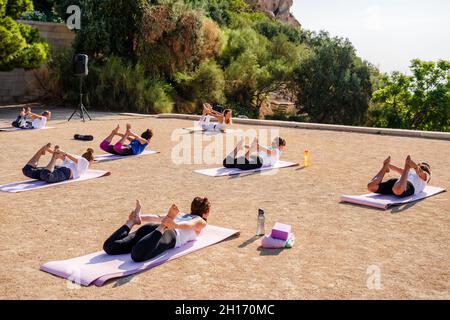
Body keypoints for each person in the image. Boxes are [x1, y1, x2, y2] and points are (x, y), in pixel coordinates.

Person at [103, 197, 210, 262]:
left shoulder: (181, 214)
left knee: (109, 247)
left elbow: (157, 217)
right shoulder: (201, 220)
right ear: (206, 213)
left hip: (151, 227)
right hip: (168, 233)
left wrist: (140, 218)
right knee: (137, 256)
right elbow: (189, 224)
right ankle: (163, 226)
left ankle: (131, 222)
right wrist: (173, 225)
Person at [22, 143, 95, 183]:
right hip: (65, 172)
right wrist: (63, 153)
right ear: (90, 161)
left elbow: (63, 156)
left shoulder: (74, 159)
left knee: (27, 170)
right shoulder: (85, 162)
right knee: (47, 176)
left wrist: (48, 150)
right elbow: (77, 160)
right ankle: (54, 157)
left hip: (55, 168)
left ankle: (41, 151)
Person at [367, 155, 431, 197]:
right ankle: (385, 167)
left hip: (409, 186)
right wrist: (388, 165)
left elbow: (420, 173)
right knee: (371, 186)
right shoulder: (412, 172)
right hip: (398, 182)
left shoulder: (426, 176)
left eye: (425, 165)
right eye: (421, 164)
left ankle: (407, 167)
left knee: (397, 189)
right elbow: (397, 169)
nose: (422, 164)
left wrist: (415, 167)